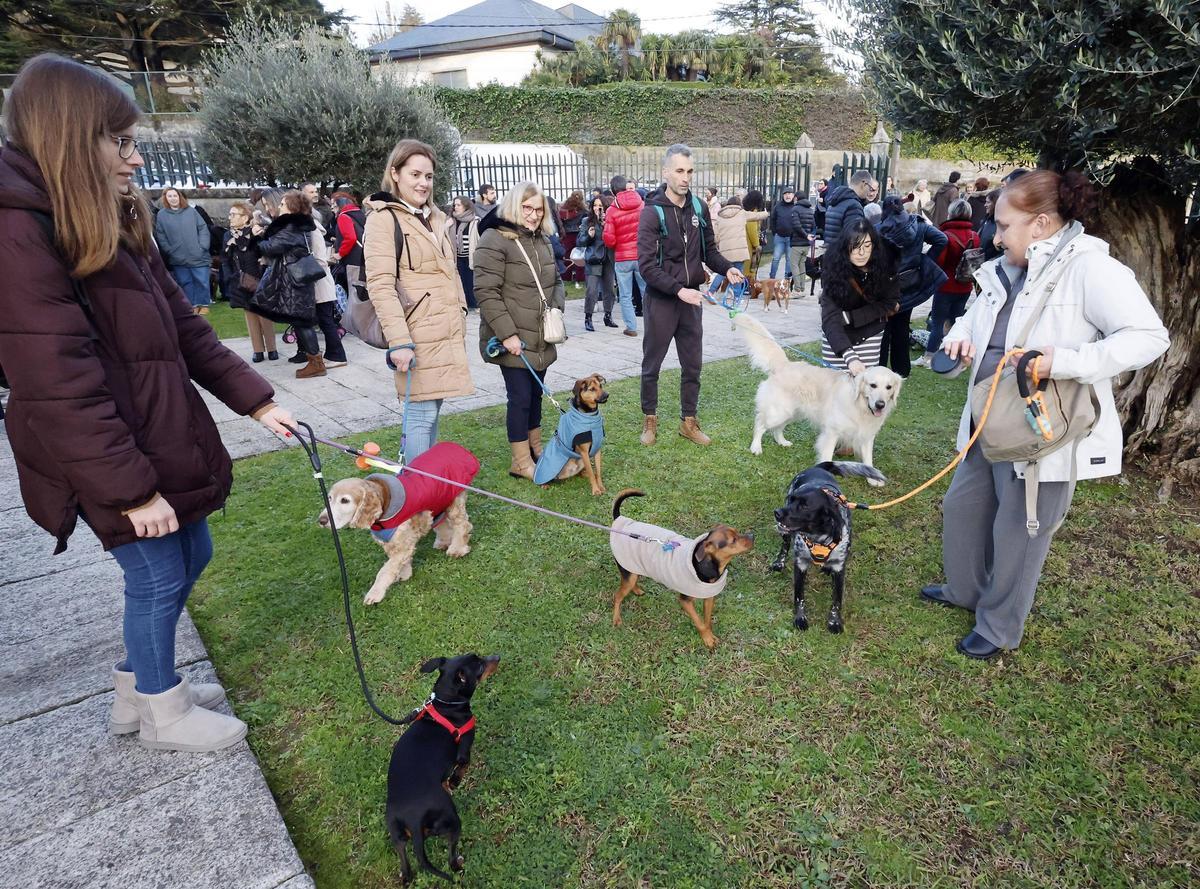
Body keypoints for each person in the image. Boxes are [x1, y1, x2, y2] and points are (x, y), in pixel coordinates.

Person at [0, 54, 295, 752]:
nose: (136, 159)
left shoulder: (110, 214)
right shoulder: (19, 232)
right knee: (157, 572)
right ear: (73, 139)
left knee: (193, 551)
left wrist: (257, 402)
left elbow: (186, 329)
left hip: (153, 426)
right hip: (101, 448)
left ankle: (139, 689)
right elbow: (58, 383)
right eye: (121, 142)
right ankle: (164, 713)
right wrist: (130, 491)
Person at [931, 170, 1168, 660]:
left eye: (1004, 225)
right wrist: (960, 337)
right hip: (986, 420)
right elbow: (975, 320)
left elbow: (1149, 337)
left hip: (1041, 431)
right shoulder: (1002, 269)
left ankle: (998, 626)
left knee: (1019, 531)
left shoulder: (1091, 268)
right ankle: (966, 591)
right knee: (963, 509)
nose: (997, 237)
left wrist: (1064, 361)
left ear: (1039, 224)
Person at [364, 139, 474, 464]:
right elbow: (381, 285)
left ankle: (425, 487)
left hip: (444, 331)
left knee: (432, 411)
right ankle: (416, 488)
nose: (423, 183)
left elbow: (449, 272)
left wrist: (460, 309)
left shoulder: (435, 217)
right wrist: (399, 341)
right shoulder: (384, 219)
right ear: (395, 174)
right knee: (420, 415)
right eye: (415, 174)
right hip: (415, 335)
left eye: (428, 176)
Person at [636, 144, 745, 446]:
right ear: (666, 172)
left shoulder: (698, 207)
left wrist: (727, 268)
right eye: (680, 171)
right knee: (652, 364)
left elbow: (709, 251)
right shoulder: (652, 212)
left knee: (693, 364)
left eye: (690, 171)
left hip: (691, 300)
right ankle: (650, 418)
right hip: (662, 300)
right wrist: (678, 290)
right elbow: (646, 267)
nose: (686, 177)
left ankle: (689, 421)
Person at [473, 181, 565, 480]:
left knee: (536, 394)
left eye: (539, 209)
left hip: (541, 335)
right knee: (520, 397)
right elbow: (486, 292)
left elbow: (556, 280)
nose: (534, 215)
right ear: (514, 205)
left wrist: (556, 309)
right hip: (512, 337)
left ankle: (535, 449)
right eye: (527, 208)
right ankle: (520, 461)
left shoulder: (543, 239)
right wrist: (507, 334)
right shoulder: (494, 239)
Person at [253, 189, 336, 378]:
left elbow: (272, 247)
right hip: (295, 279)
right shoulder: (295, 224)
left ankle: (316, 363)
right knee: (300, 321)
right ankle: (313, 360)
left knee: (302, 321)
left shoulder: (293, 226)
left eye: (283, 204)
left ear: (292, 207)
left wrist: (257, 237)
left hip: (295, 280)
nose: (279, 206)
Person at [877, 194, 948, 377]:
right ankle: (901, 370)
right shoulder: (919, 225)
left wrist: (924, 261)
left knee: (884, 328)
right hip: (909, 283)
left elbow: (942, 240)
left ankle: (880, 368)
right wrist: (923, 260)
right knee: (901, 326)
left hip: (886, 285)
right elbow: (942, 239)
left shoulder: (878, 229)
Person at [817, 219, 900, 373]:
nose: (861, 253)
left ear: (874, 245)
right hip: (837, 335)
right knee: (834, 385)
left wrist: (851, 317)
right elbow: (830, 318)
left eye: (867, 246)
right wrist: (849, 356)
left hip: (870, 334)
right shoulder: (833, 268)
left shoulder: (886, 266)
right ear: (845, 247)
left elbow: (890, 303)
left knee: (866, 384)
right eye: (855, 246)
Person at [917, 198, 980, 367]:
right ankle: (954, 356)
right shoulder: (974, 235)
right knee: (957, 322)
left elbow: (939, 262)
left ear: (951, 213)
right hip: (965, 286)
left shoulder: (946, 236)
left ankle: (929, 357)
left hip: (946, 285)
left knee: (937, 322)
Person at [221, 200, 278, 362]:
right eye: (230, 214)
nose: (230, 217)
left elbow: (267, 251)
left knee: (264, 315)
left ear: (245, 217)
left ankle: (272, 348)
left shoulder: (256, 231)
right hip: (240, 279)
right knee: (250, 314)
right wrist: (229, 277)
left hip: (259, 277)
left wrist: (258, 234)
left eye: (233, 214)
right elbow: (225, 259)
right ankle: (257, 350)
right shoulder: (228, 235)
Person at [154, 187, 212, 314]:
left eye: (175, 196)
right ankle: (192, 305)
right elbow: (161, 235)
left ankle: (204, 304)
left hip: (198, 254)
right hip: (177, 256)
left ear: (180, 197)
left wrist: (202, 246)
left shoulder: (191, 211)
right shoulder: (161, 215)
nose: (173, 199)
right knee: (185, 282)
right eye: (169, 196)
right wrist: (169, 250)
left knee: (202, 280)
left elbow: (203, 228)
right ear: (165, 198)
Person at [602, 174, 644, 337]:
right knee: (647, 291)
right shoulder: (641, 204)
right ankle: (653, 324)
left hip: (622, 257)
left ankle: (631, 327)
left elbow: (609, 240)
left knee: (625, 295)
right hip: (641, 255)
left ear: (613, 191)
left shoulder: (612, 210)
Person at [576, 195, 617, 331]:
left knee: (609, 290)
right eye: (595, 205)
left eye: (600, 206)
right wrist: (589, 236)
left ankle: (608, 315)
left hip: (608, 259)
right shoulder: (587, 221)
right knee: (592, 290)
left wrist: (607, 226)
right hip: (593, 258)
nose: (597, 208)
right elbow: (580, 242)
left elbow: (616, 239)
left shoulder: (610, 220)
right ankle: (588, 318)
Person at [711, 194, 767, 289]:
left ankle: (711, 291)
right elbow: (757, 216)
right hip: (739, 252)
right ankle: (736, 295)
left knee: (722, 272)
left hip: (725, 251)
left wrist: (719, 244)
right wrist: (765, 213)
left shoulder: (720, 217)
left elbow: (716, 237)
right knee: (738, 273)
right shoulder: (742, 213)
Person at [822, 170, 878, 249]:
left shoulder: (836, 200)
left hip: (831, 252)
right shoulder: (853, 205)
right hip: (843, 254)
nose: (869, 192)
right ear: (864, 184)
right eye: (870, 188)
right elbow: (855, 238)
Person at [332, 191, 367, 298]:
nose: (332, 208)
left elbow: (350, 238)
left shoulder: (343, 217)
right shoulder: (359, 213)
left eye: (334, 205)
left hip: (351, 260)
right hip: (362, 258)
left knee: (352, 294)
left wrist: (340, 254)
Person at [447, 195, 479, 310]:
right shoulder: (451, 221)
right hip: (457, 257)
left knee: (471, 281)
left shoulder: (475, 221)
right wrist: (446, 226)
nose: (455, 207)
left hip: (470, 256)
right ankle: (464, 303)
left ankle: (474, 303)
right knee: (460, 282)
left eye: (458, 205)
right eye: (454, 205)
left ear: (466, 206)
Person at [768, 186, 798, 281]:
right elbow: (772, 220)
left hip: (791, 238)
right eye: (785, 194)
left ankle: (787, 280)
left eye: (789, 194)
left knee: (789, 259)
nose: (787, 196)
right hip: (779, 237)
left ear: (793, 195)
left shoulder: (796, 207)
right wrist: (775, 232)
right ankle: (771, 278)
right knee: (776, 258)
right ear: (783, 196)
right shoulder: (778, 206)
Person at [789, 192, 816, 293]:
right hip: (806, 244)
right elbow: (813, 226)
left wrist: (805, 235)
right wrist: (808, 235)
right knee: (802, 265)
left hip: (797, 242)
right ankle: (802, 287)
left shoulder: (795, 209)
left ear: (796, 198)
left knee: (794, 265)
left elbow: (796, 226)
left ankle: (797, 289)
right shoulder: (810, 210)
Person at [558, 190, 586, 283]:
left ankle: (566, 276)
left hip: (567, 234)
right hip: (578, 234)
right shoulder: (582, 209)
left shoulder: (565, 207)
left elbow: (560, 220)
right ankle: (580, 277)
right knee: (579, 256)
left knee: (567, 256)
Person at [742, 189, 767, 277]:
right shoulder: (753, 213)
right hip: (749, 246)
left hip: (743, 242)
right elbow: (752, 230)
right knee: (749, 271)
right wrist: (757, 245)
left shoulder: (745, 210)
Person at [978, 189, 1002, 260]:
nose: (985, 205)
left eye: (988, 202)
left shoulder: (1000, 224)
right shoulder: (987, 220)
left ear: (995, 203)